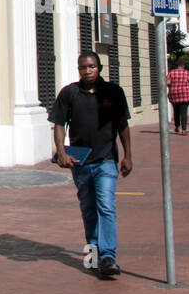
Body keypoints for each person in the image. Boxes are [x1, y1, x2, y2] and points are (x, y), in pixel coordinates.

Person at [49, 52, 132, 279]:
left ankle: (108, 256)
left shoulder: (114, 92)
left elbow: (122, 124)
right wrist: (61, 151)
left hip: (106, 160)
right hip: (81, 162)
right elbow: (58, 123)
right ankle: (93, 253)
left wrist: (128, 155)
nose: (88, 71)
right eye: (83, 67)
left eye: (92, 66)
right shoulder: (69, 93)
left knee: (106, 205)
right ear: (78, 69)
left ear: (100, 67)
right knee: (88, 208)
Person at [167, 57, 189, 135]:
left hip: (174, 94)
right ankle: (184, 129)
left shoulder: (171, 73)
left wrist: (172, 87)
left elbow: (168, 83)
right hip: (185, 94)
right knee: (184, 112)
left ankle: (177, 126)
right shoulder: (187, 73)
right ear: (183, 65)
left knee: (176, 111)